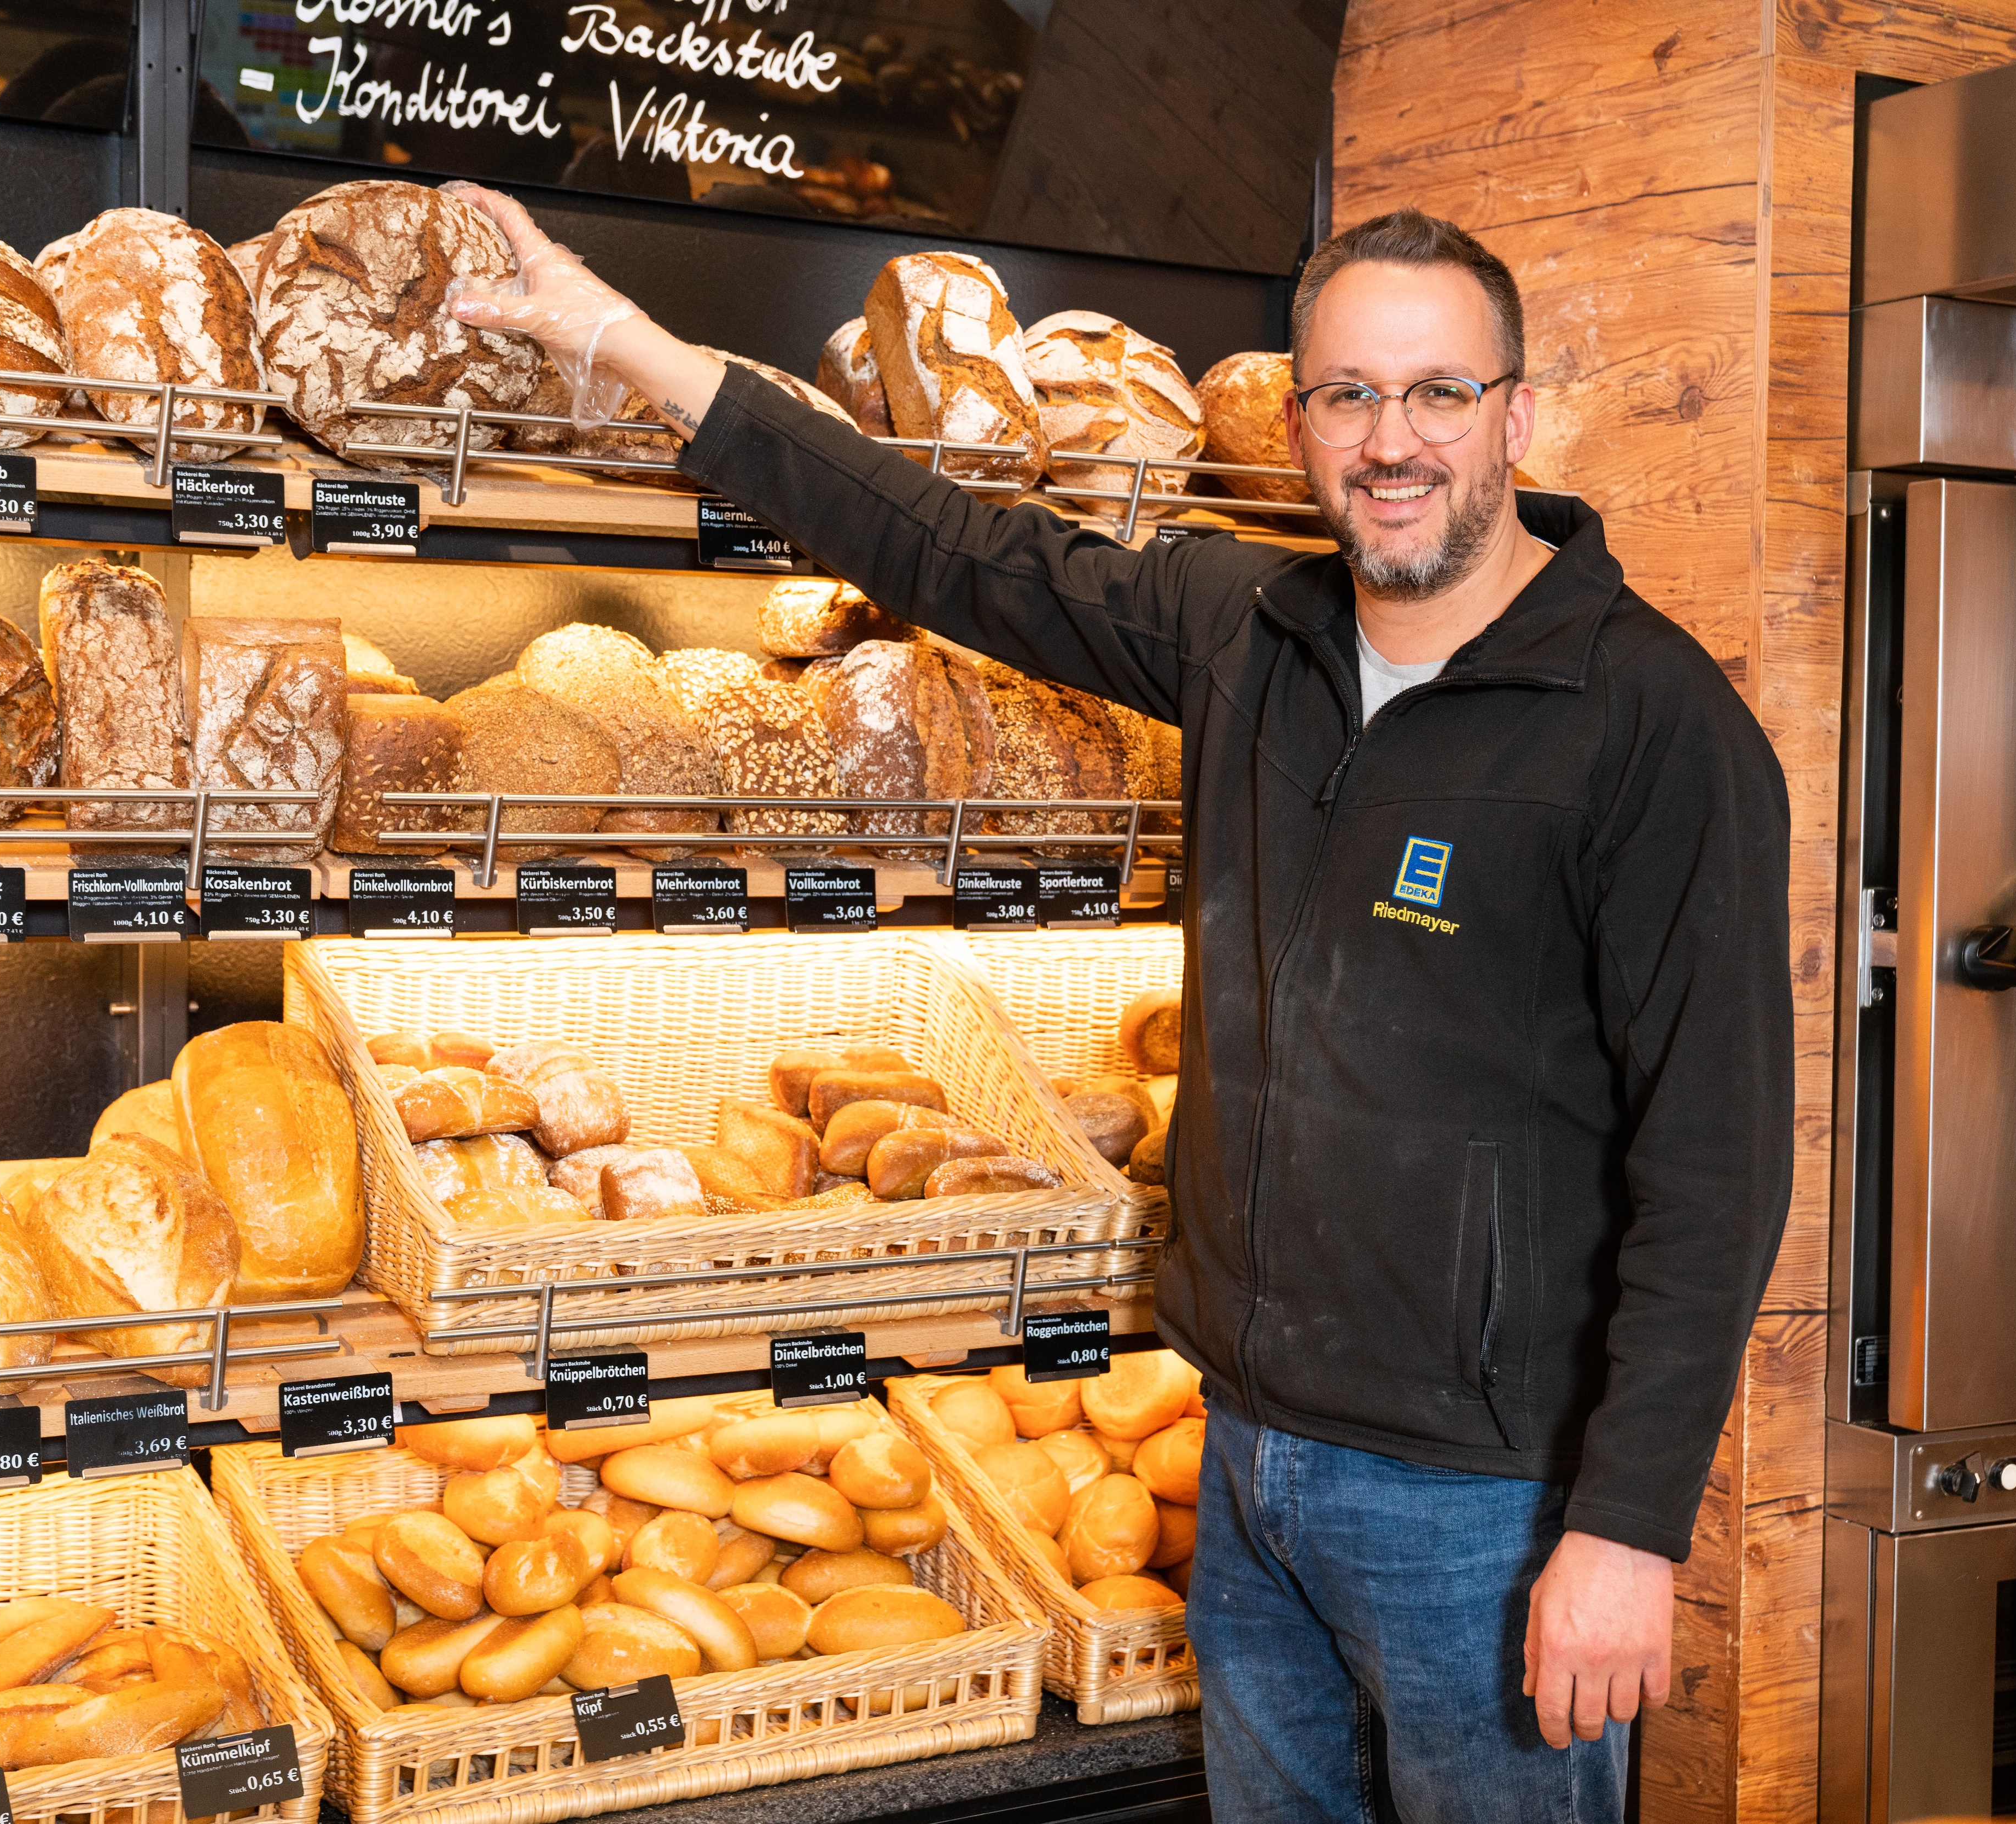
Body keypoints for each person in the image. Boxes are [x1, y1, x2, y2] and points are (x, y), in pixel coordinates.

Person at [446, 186, 1793, 1824]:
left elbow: (1715, 1170)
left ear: (1515, 414)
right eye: (1350, 395)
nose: (1394, 440)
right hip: (1248, 1457)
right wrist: (625, 341)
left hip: (1487, 1504)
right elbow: (948, 545)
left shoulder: (1652, 725)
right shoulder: (1251, 633)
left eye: (1439, 393)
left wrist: (1629, 1527)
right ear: (1300, 421)